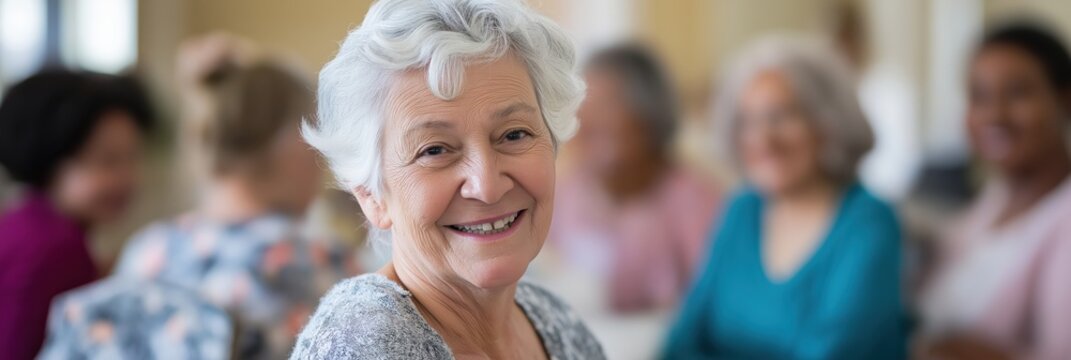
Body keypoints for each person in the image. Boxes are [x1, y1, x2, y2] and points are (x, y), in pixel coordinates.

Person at [289, 0, 605, 359]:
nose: (486, 185)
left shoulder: (555, 321)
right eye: (435, 150)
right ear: (372, 196)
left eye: (514, 135)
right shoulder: (364, 343)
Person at [114, 35, 356, 359]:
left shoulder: (146, 251)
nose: (322, 157)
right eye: (315, 132)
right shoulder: (319, 263)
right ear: (291, 143)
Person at [663, 38, 906, 359]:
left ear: (827, 123)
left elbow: (831, 353)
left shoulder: (869, 222)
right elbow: (680, 343)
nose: (763, 139)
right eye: (748, 121)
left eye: (783, 116)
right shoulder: (742, 209)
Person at [917, 22, 1071, 360]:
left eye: (1018, 93)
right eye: (979, 96)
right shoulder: (995, 199)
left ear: (1065, 98)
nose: (994, 114)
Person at [549, 44, 720, 312]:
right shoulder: (565, 191)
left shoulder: (694, 201)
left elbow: (713, 303)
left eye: (607, 103)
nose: (588, 118)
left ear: (649, 115)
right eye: (583, 102)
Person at [0, 71, 154, 359]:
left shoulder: (22, 220)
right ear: (51, 160)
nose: (128, 178)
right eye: (108, 161)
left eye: (132, 157)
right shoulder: (57, 249)